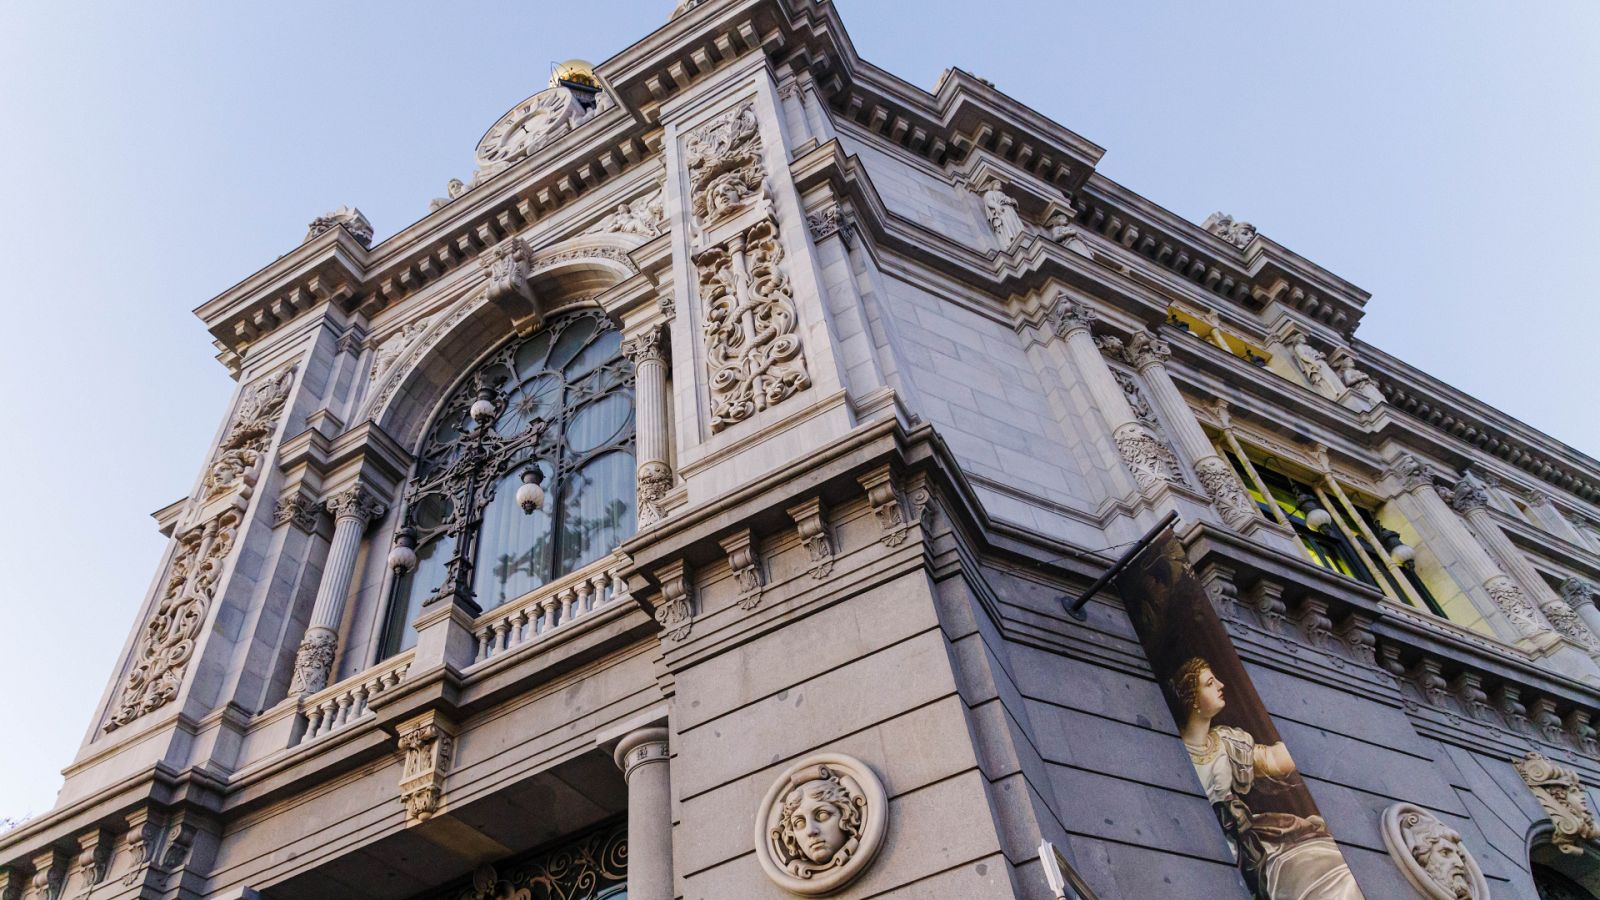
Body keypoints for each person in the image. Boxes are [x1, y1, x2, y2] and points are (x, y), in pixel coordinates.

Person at [1173, 657, 1364, 899]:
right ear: (1193, 700)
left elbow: (1271, 761)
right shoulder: (1175, 748)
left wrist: (1315, 739)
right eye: (1210, 683)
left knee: (1326, 865)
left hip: (1251, 846)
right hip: (1206, 846)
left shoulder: (1225, 742)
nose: (1221, 685)